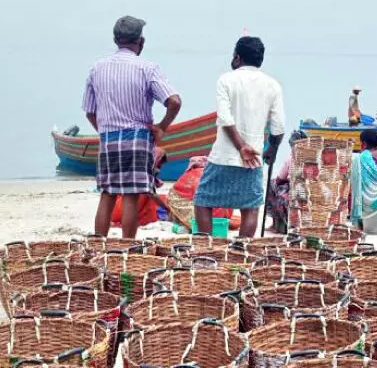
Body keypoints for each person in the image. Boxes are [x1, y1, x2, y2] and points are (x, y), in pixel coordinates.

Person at [82, 16, 182, 238]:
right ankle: (127, 247)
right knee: (130, 196)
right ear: (141, 41)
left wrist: (104, 130)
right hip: (137, 138)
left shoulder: (97, 68)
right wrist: (162, 127)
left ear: (116, 40)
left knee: (107, 193)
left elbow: (89, 111)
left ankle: (100, 244)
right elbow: (174, 102)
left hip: (109, 139)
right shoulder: (147, 68)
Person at [194, 36, 286, 237]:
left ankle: (206, 250)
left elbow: (225, 118)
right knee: (250, 207)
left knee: (203, 201)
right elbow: (278, 126)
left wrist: (240, 146)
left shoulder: (226, 80)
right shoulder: (273, 85)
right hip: (253, 159)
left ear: (237, 57)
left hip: (223, 155)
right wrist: (272, 149)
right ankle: (242, 252)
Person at [266, 130, 307, 234]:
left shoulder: (291, 160)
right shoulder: (313, 161)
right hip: (306, 192)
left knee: (271, 186)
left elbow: (279, 180)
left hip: (296, 193)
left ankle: (275, 224)